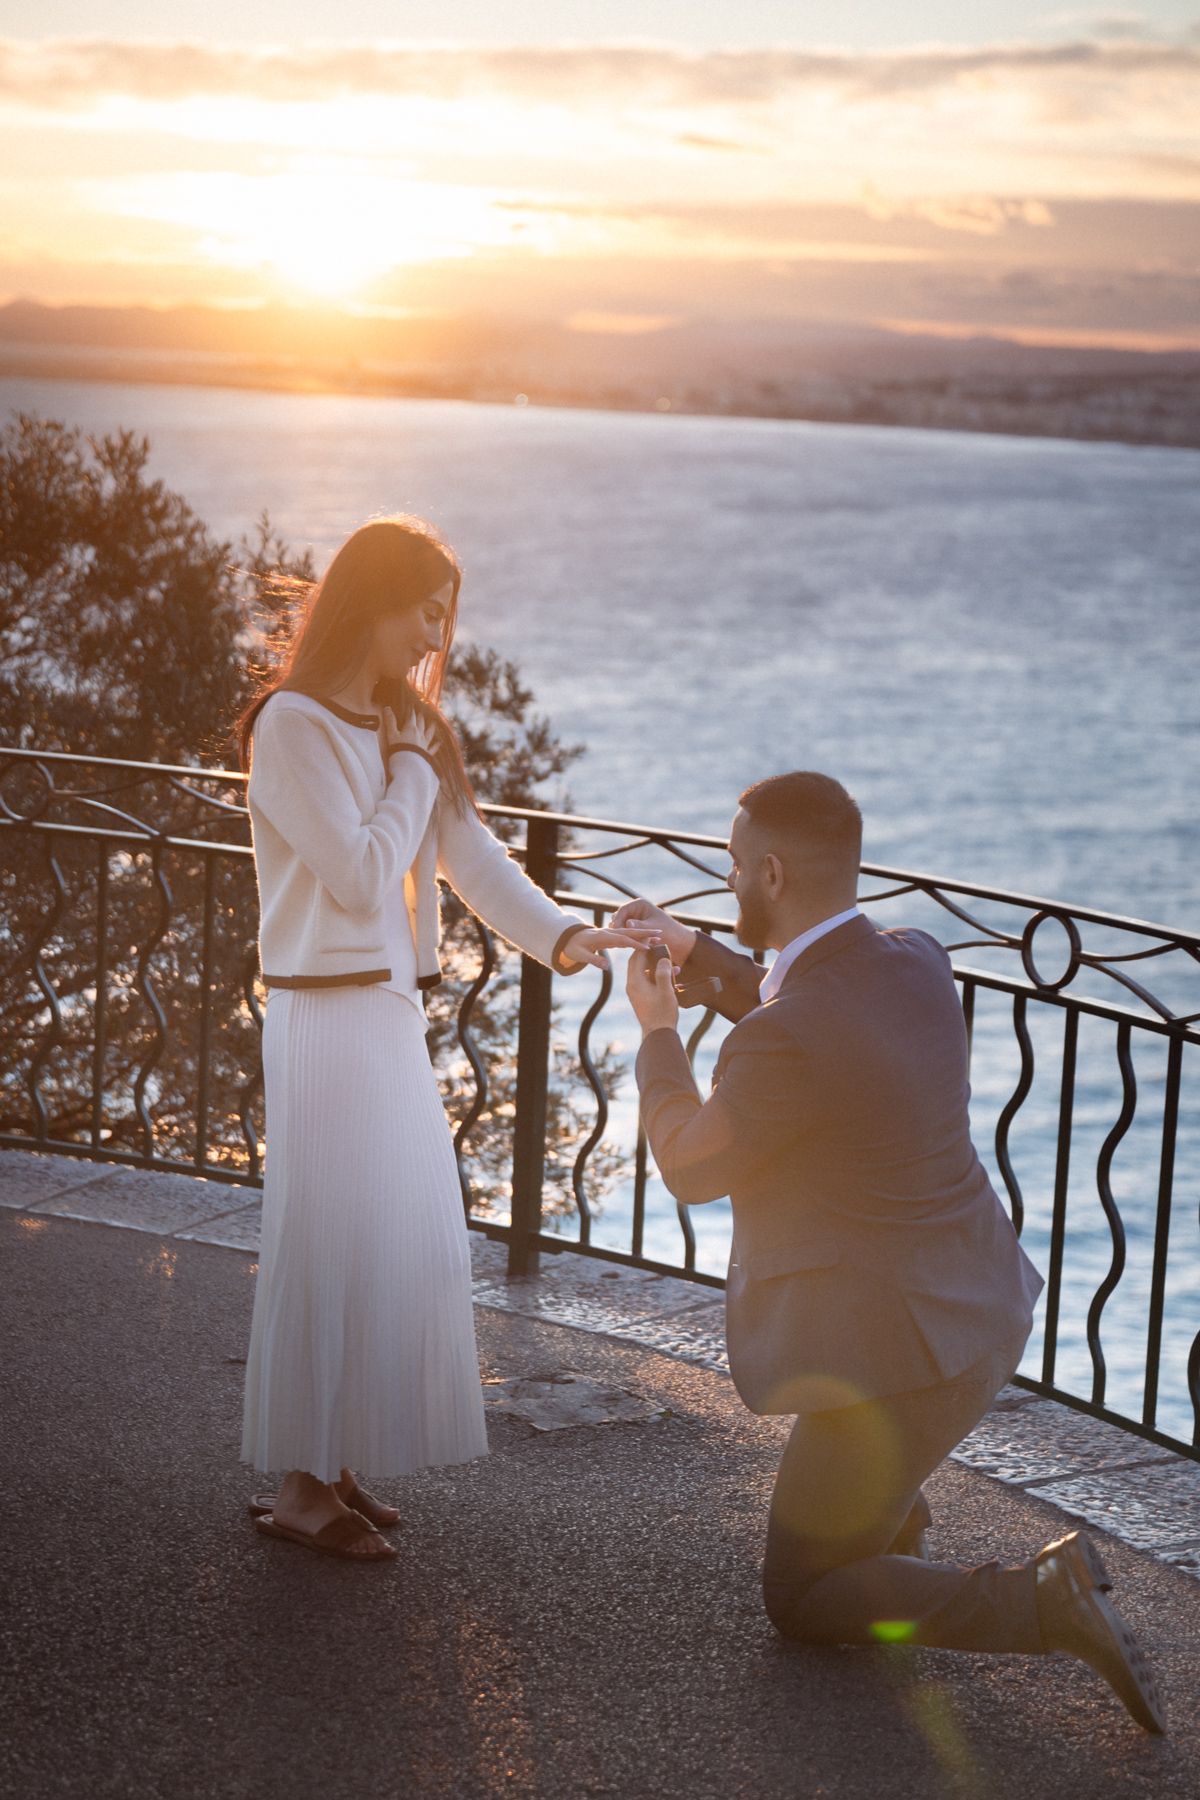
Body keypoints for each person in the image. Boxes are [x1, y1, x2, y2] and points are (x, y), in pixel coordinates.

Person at [617, 770, 1165, 1733]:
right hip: (979, 1310)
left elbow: (692, 1168)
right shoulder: (917, 960)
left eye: (736, 867)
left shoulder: (790, 1038)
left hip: (898, 1362)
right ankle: (893, 1539)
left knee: (801, 1594)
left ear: (773, 873)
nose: (729, 878)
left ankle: (1046, 1600)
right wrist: (695, 950)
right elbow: (807, 1014)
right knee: (860, 1519)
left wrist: (660, 1034)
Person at [235, 515, 643, 1561]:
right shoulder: (292, 727)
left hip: (384, 1017)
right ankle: (299, 1488)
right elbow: (360, 875)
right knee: (327, 1243)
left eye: (443, 615)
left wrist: (567, 935)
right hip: (322, 1016)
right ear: (372, 602)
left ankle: (333, 1462)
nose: (434, 634)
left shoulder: (409, 728)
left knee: (387, 1241)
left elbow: (475, 858)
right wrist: (411, 771)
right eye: (425, 609)